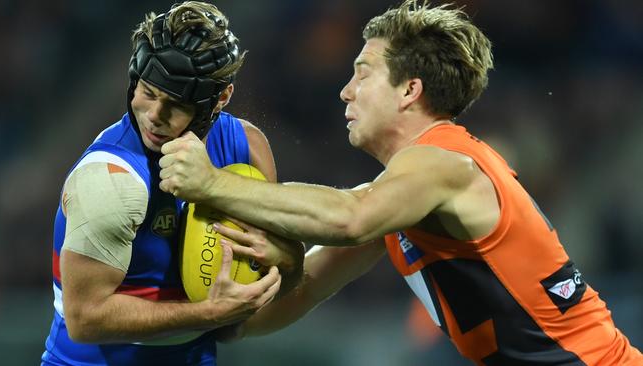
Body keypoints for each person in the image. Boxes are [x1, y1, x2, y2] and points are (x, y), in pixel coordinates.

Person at [159, 0, 643, 364]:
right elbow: (304, 286)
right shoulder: (405, 195)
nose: (346, 91)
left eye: (362, 74)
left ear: (410, 90)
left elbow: (349, 219)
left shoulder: (446, 162)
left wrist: (211, 185)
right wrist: (220, 320)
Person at [41, 2, 304, 365]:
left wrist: (289, 263)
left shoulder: (247, 149)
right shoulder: (108, 181)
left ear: (221, 97)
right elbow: (84, 319)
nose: (154, 116)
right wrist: (209, 314)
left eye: (176, 103)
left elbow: (256, 294)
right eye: (147, 92)